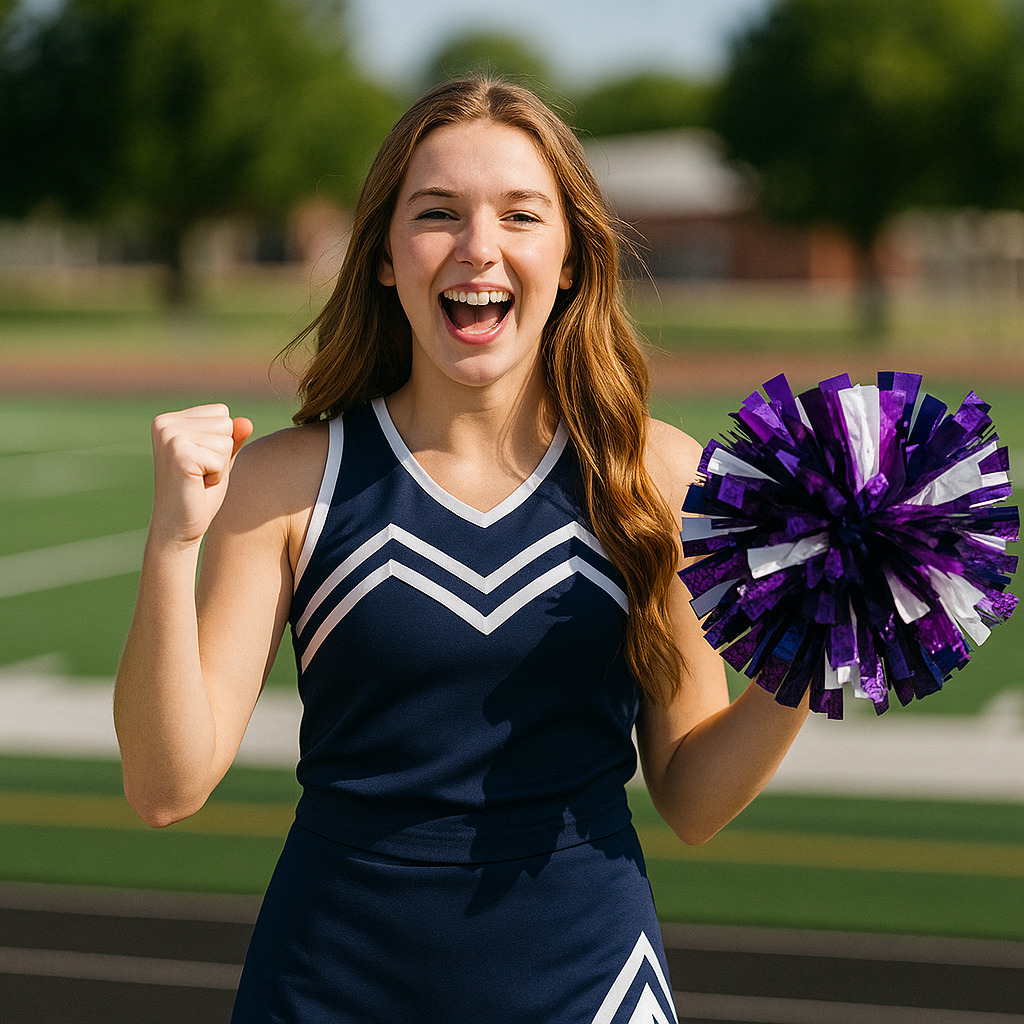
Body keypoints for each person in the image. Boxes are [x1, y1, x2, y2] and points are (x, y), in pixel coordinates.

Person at [114, 77, 810, 1023]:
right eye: (436, 213)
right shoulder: (286, 481)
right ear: (386, 259)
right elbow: (166, 787)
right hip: (331, 985)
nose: (479, 247)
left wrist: (806, 655)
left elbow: (689, 796)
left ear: (570, 257)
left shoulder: (656, 474)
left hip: (588, 984)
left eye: (522, 215)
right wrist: (171, 545)